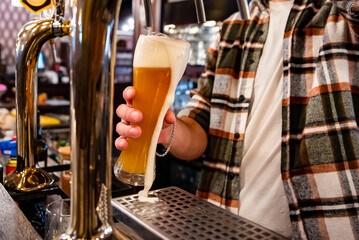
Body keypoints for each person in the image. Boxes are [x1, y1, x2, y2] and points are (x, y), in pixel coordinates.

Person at [115, 0, 359, 238]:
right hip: (223, 225)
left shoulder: (340, 14)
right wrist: (168, 131)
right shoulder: (234, 27)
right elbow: (200, 124)